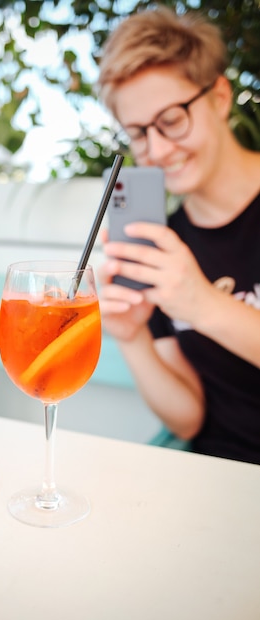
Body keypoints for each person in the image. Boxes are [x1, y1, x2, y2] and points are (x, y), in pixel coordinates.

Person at [97, 6, 260, 464]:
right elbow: (188, 420)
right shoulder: (161, 247)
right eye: (139, 133)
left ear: (220, 97)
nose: (159, 150)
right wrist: (132, 338)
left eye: (171, 120)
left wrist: (204, 304)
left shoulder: (176, 270)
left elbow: (202, 304)